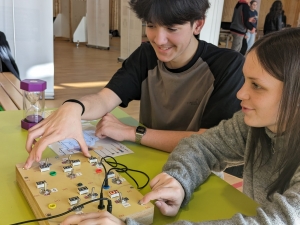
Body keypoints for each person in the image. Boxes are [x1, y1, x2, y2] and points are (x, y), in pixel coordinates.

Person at [60, 27, 300, 225]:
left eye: (257, 86)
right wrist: (178, 180)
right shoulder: (255, 125)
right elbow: (204, 146)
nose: (240, 93)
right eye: (151, 25)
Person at [24, 0, 245, 172]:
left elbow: (209, 141)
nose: (158, 39)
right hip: (150, 161)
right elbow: (105, 98)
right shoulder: (146, 56)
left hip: (202, 171)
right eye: (150, 25)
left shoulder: (228, 65)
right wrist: (73, 107)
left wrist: (133, 132)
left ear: (198, 24)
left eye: (171, 28)